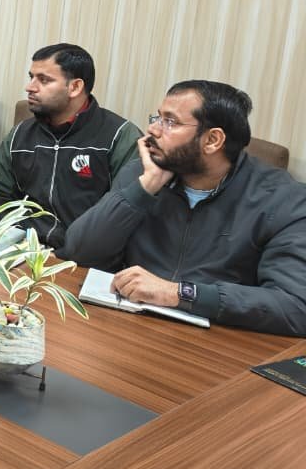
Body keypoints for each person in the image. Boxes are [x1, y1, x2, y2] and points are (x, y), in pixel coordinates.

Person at [64, 80, 306, 336]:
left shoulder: (283, 199)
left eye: (170, 122)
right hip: (129, 327)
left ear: (212, 140)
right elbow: (79, 252)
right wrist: (145, 187)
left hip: (217, 341)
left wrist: (180, 293)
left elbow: (296, 306)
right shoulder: (143, 174)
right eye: (157, 117)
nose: (152, 129)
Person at [0, 43, 141, 251]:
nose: (30, 87)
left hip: (86, 257)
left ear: (75, 87)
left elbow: (123, 214)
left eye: (44, 80)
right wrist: (17, 243)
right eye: (31, 77)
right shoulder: (21, 134)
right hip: (22, 250)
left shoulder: (119, 136)